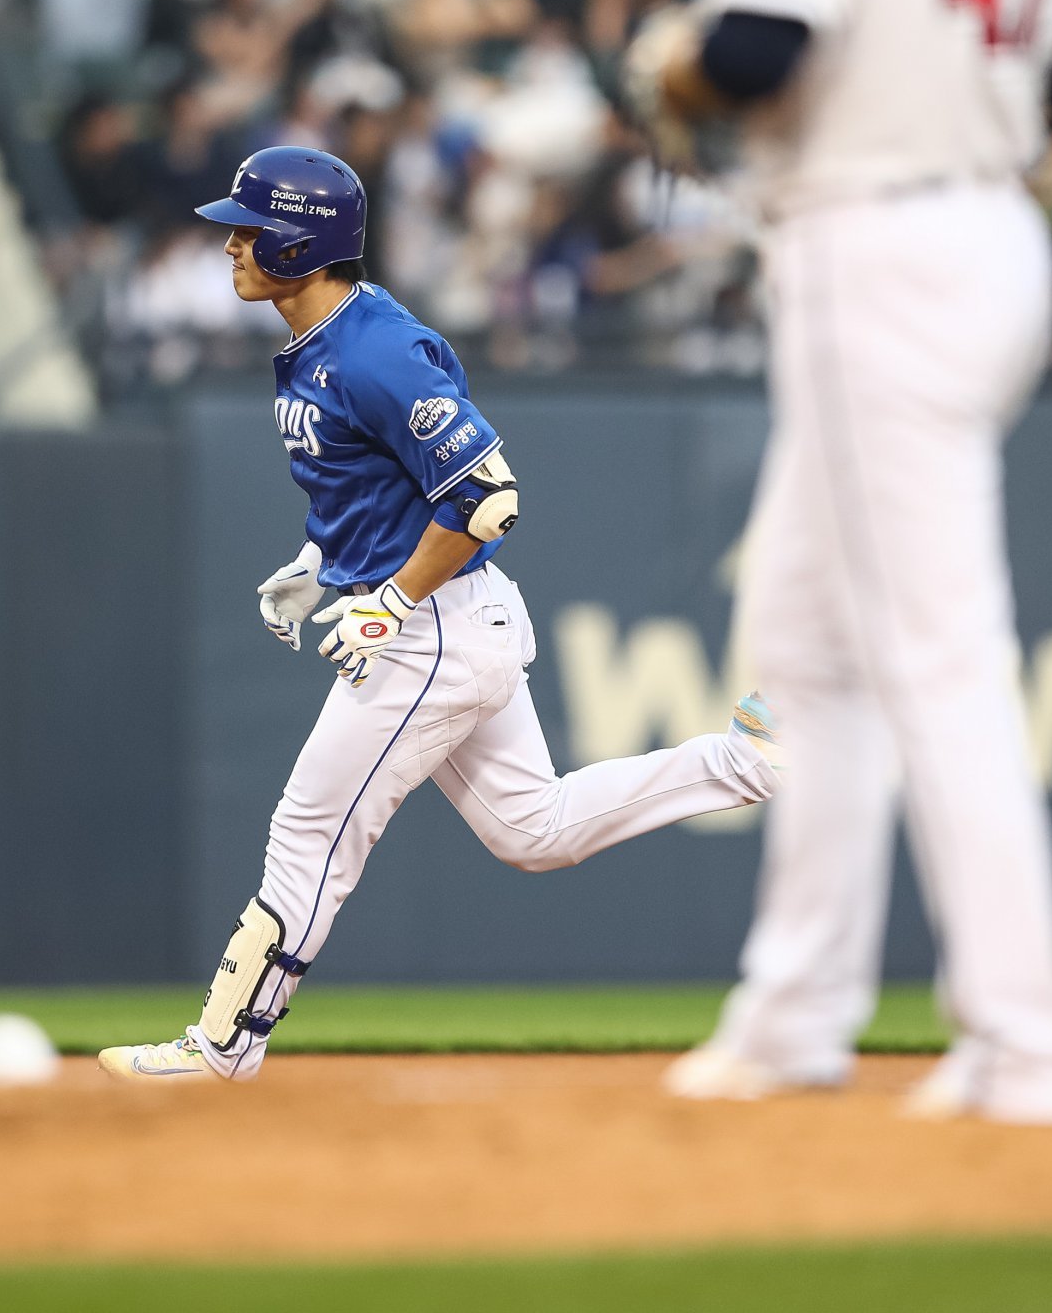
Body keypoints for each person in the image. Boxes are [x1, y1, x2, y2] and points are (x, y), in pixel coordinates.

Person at [624, 0, 1052, 1124]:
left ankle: (1024, 1039)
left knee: (932, 648)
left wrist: (677, 72)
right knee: (805, 625)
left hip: (875, 248)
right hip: (985, 234)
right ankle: (798, 1004)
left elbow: (762, 47)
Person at [97, 145, 780, 1081]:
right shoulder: (322, 341)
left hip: (437, 631)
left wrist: (392, 598)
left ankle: (224, 1046)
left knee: (309, 829)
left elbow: (488, 495)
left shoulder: (372, 350)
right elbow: (375, 489)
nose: (232, 246)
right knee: (531, 831)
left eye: (250, 230)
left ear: (302, 243)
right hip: (456, 620)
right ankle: (744, 760)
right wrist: (319, 564)